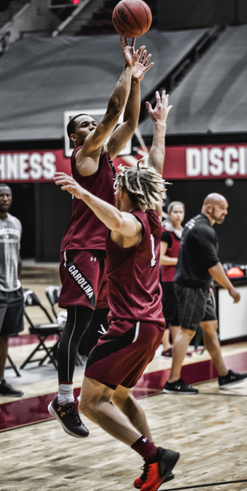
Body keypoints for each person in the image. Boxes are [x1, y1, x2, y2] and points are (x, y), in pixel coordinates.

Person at [53, 91, 180, 491]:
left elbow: (112, 216)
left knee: (90, 402)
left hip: (130, 327)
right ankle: (155, 462)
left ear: (124, 193)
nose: (115, 189)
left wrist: (81, 192)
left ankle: (153, 454)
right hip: (153, 326)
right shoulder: (154, 215)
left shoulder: (128, 223)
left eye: (118, 187)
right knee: (121, 397)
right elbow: (156, 168)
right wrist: (159, 128)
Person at [48, 37, 154, 438]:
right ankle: (62, 398)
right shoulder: (85, 157)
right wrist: (125, 68)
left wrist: (138, 80)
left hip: (105, 251)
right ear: (75, 139)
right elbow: (112, 113)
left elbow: (128, 122)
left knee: (97, 323)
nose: (92, 127)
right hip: (82, 249)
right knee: (76, 322)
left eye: (91, 124)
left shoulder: (107, 154)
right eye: (84, 126)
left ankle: (99, 386)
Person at [163, 193, 247, 394]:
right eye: (222, 208)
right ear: (209, 208)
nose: (226, 212)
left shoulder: (193, 223)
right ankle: (173, 381)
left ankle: (223, 375)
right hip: (191, 287)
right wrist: (230, 288)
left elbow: (194, 258)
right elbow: (213, 264)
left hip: (199, 286)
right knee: (186, 331)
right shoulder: (203, 229)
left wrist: (207, 283)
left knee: (210, 329)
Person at [0, 184, 24, 397]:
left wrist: (18, 281)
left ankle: (1, 381)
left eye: (7, 195)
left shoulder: (16, 223)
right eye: (1, 195)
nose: (4, 198)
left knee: (5, 337)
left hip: (13, 289)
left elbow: (17, 256)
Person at [160, 201, 185, 357]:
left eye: (181, 212)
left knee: (177, 315)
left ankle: (176, 347)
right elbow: (161, 258)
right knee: (167, 314)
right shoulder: (166, 233)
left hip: (182, 279)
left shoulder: (184, 232)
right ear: (169, 214)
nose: (178, 215)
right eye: (175, 212)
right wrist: (180, 261)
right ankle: (165, 347)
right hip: (169, 279)